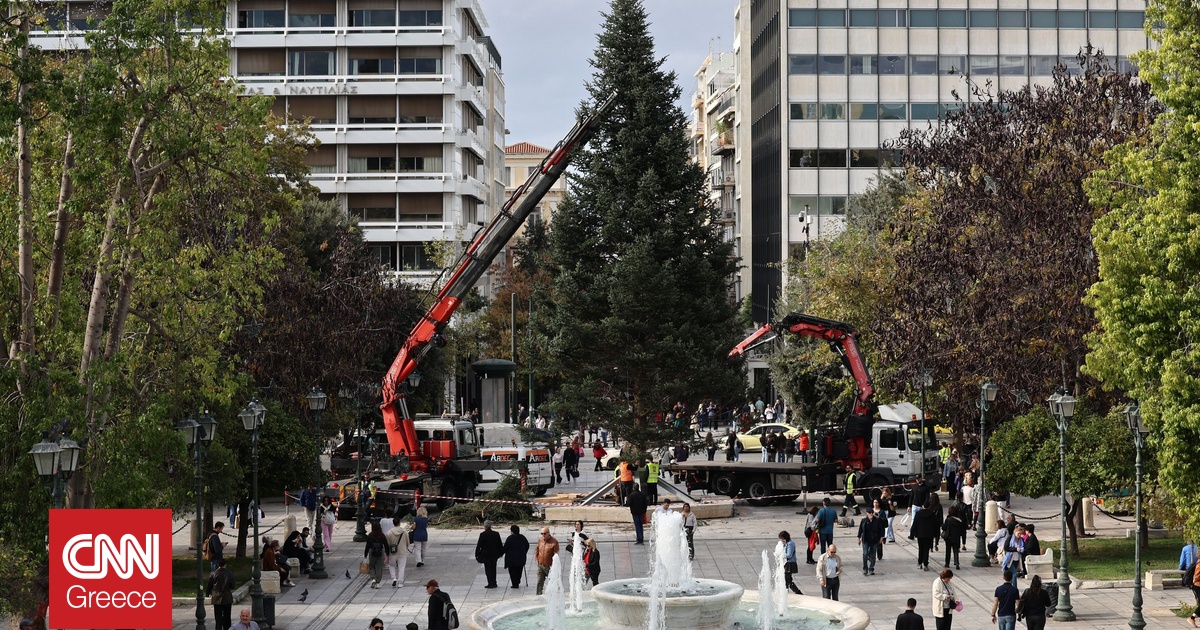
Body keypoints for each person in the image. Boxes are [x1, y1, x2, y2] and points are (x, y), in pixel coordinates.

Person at [911, 498, 939, 572]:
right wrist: (936, 534)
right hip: (929, 534)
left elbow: (914, 524)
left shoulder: (918, 514)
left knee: (921, 548)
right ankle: (925, 564)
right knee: (926, 549)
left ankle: (920, 563)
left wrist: (912, 534)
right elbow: (935, 525)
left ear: (923, 506)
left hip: (920, 534)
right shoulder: (932, 514)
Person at [207, 558, 235, 630]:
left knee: (218, 616)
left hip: (216, 597)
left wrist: (208, 593)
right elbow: (232, 586)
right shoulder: (229, 573)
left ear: (218, 565)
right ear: (225, 565)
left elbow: (209, 585)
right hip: (227, 596)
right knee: (227, 616)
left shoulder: (213, 573)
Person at [475, 520, 504, 589]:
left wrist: (477, 554)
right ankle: (494, 582)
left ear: (485, 526)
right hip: (494, 554)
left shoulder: (483, 534)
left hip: (486, 554)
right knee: (493, 568)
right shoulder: (496, 534)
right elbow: (500, 544)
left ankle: (490, 583)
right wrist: (501, 553)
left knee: (488, 569)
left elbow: (479, 545)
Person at [857, 508, 885, 576]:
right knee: (865, 554)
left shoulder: (877, 520)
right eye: (869, 512)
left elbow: (881, 529)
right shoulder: (864, 521)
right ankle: (865, 568)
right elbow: (860, 529)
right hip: (865, 540)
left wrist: (881, 538)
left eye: (872, 512)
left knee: (873, 555)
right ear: (867, 513)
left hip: (874, 540)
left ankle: (871, 568)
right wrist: (858, 538)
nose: (871, 514)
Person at [385, 517, 411, 587]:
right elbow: (408, 542)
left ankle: (394, 578)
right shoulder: (404, 532)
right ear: (399, 523)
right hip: (402, 552)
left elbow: (387, 544)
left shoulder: (389, 532)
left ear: (393, 523)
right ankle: (400, 582)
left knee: (392, 565)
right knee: (401, 567)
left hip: (392, 552)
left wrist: (387, 553)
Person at [535, 527, 560, 595]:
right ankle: (538, 595)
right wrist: (537, 558)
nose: (543, 535)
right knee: (539, 582)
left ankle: (552, 595)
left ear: (548, 533)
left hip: (550, 567)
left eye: (544, 533)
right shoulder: (540, 540)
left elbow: (556, 555)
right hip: (541, 565)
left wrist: (554, 566)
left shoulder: (554, 542)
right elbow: (537, 549)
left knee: (552, 582)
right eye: (542, 533)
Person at [941, 505, 966, 570]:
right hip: (956, 537)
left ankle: (947, 563)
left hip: (949, 537)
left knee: (948, 551)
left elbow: (944, 527)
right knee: (955, 551)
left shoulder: (948, 520)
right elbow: (961, 530)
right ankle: (957, 563)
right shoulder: (959, 520)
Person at [364, 520, 388, 588]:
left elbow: (367, 546)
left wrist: (365, 554)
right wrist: (387, 553)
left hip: (372, 552)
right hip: (380, 551)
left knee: (371, 566)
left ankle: (373, 578)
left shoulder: (370, 535)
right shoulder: (382, 535)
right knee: (379, 567)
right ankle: (378, 582)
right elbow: (386, 544)